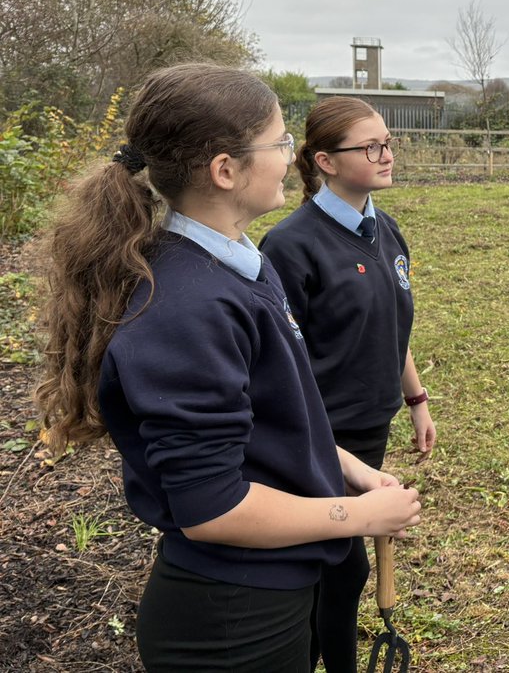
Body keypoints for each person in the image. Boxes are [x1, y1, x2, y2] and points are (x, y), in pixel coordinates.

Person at [35, 64, 422, 673]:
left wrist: (350, 469)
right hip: (232, 623)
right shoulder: (188, 307)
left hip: (268, 588)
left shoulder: (237, 265)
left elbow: (276, 419)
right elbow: (212, 507)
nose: (291, 156)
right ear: (225, 170)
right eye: (278, 142)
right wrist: (358, 516)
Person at [259, 96, 436, 673]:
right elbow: (278, 362)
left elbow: (392, 324)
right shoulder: (290, 246)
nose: (386, 155)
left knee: (339, 568)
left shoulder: (387, 231)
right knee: (338, 566)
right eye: (370, 147)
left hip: (370, 430)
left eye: (388, 143)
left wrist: (416, 399)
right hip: (318, 437)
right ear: (325, 162)